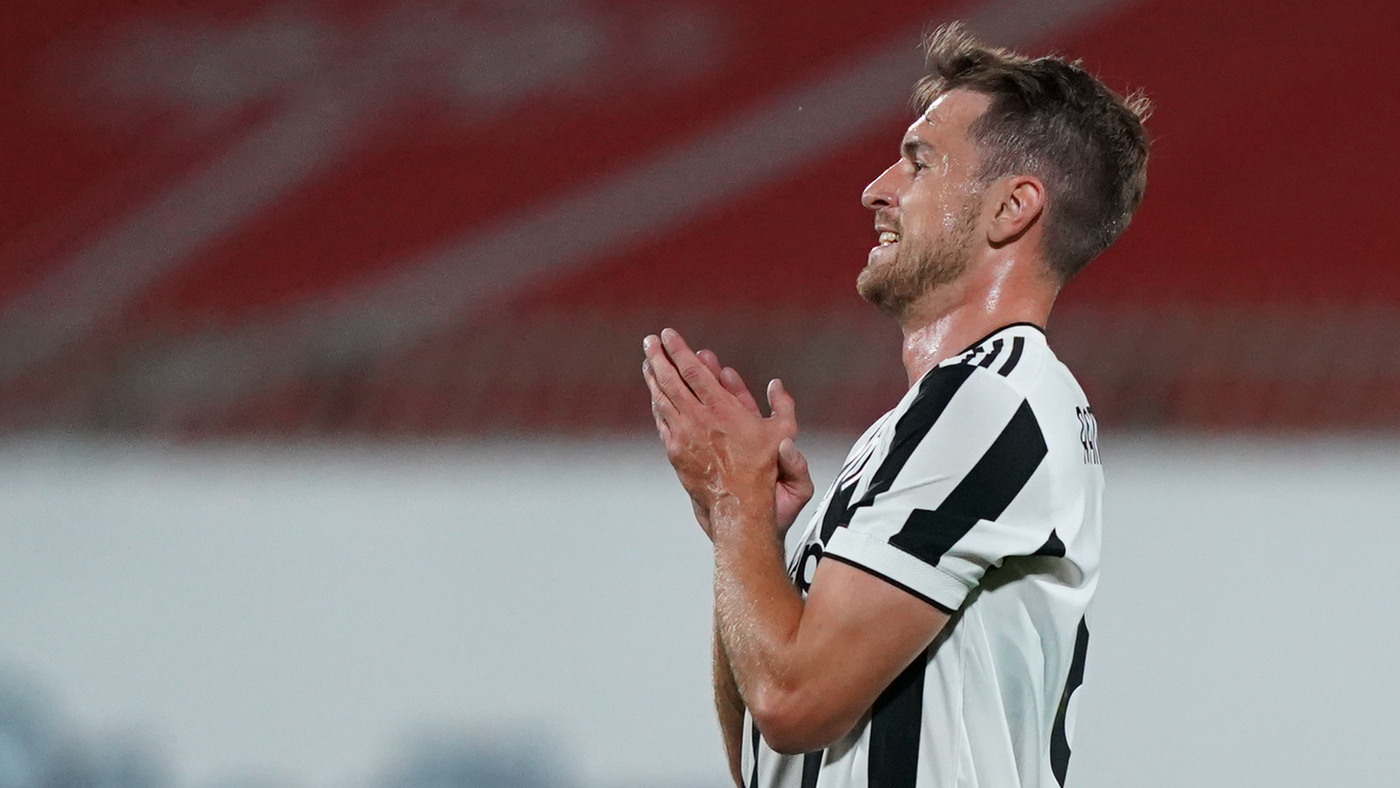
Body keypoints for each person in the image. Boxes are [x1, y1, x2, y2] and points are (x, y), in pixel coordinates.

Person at [641, 21, 1149, 788]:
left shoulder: (991, 403)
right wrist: (743, 531)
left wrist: (736, 501)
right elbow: (766, 757)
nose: (876, 189)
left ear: (1012, 208)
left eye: (919, 161)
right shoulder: (945, 415)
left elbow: (793, 703)